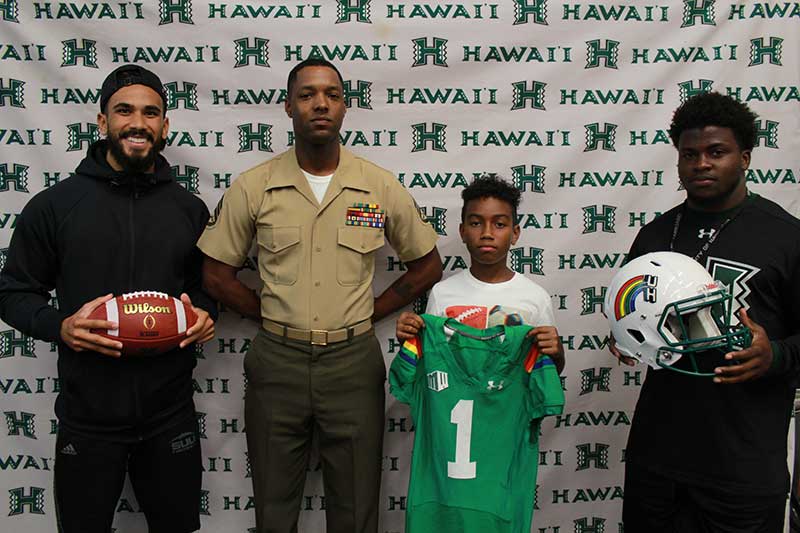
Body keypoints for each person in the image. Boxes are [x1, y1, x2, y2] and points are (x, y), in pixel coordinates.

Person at [198, 58, 442, 533]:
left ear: (345, 106)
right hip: (277, 364)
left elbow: (427, 266)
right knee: (273, 509)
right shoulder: (256, 186)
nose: (320, 103)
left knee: (355, 511)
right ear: (289, 106)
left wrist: (370, 312)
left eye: (331, 94)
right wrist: (268, 314)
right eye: (307, 94)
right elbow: (215, 275)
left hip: (352, 365)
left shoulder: (377, 187)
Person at [0, 64, 216, 533]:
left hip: (170, 415)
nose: (138, 122)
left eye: (150, 112)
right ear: (102, 122)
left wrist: (205, 313)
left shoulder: (189, 210)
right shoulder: (55, 205)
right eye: (124, 110)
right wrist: (59, 325)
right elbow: (13, 292)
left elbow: (205, 289)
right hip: (88, 419)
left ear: (165, 126)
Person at [610, 92, 800, 532]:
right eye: (689, 154)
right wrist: (626, 338)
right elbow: (631, 316)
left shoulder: (785, 238)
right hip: (657, 459)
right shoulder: (655, 234)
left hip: (743, 467)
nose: (702, 164)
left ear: (745, 156)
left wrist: (775, 354)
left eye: (717, 152)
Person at [396, 174, 565, 373]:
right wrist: (408, 340)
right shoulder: (442, 293)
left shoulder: (536, 297)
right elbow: (430, 363)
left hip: (512, 404)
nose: (487, 233)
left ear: (515, 233)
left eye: (499, 224)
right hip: (456, 404)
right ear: (462, 231)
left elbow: (550, 371)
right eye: (476, 223)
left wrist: (557, 353)